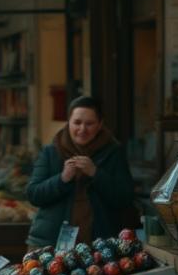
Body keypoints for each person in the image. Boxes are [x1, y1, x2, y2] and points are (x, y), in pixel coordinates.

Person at [26, 96, 135, 247]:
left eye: (89, 124)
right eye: (77, 122)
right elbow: (33, 194)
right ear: (68, 122)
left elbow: (125, 198)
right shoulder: (50, 152)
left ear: (100, 124)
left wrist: (96, 173)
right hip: (49, 243)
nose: (82, 129)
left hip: (99, 245)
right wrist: (62, 179)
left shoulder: (114, 153)